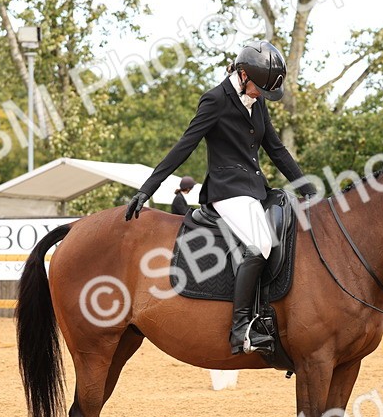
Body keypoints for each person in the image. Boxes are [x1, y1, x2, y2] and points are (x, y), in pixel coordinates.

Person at [125, 40, 317, 355]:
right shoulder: (216, 99)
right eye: (258, 88)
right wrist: (148, 188)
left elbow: (276, 150)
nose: (260, 95)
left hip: (256, 189)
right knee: (261, 244)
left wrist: (307, 188)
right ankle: (241, 328)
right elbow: (185, 145)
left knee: (285, 228)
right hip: (227, 190)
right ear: (242, 74)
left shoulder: (257, 101)